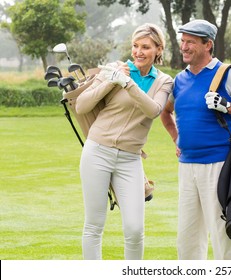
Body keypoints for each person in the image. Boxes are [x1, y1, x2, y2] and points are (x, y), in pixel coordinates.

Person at [160, 19, 231, 260]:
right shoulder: (180, 80)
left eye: (191, 42)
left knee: (224, 234)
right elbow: (165, 111)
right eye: (183, 41)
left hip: (220, 165)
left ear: (208, 44)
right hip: (187, 166)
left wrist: (227, 106)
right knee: (187, 237)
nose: (184, 47)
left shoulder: (227, 75)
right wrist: (176, 139)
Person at [75, 23, 173, 260]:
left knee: (135, 229)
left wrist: (128, 84)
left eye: (146, 47)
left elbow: (153, 110)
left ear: (158, 49)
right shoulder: (115, 69)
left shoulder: (164, 81)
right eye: (135, 46)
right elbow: (81, 105)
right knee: (94, 225)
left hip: (130, 159)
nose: (138, 52)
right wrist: (111, 80)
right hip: (97, 151)